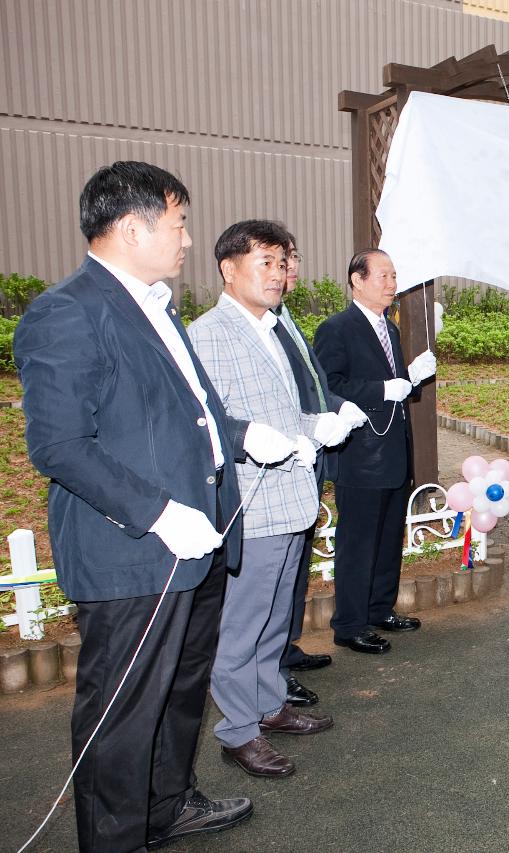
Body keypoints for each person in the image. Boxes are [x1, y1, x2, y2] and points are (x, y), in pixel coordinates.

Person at [14, 161, 297, 850]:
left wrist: (241, 435)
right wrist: (158, 511)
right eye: (177, 224)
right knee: (123, 717)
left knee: (178, 693)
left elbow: (190, 415)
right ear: (132, 227)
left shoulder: (156, 306)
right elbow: (60, 446)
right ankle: (117, 836)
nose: (188, 239)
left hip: (195, 549)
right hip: (135, 555)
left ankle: (167, 804)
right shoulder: (69, 311)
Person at [189, 220, 353, 777]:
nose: (280, 274)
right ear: (228, 268)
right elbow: (209, 423)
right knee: (244, 621)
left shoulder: (272, 328)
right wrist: (257, 438)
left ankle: (267, 704)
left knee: (275, 616)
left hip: (291, 497)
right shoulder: (209, 334)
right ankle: (237, 730)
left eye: (283, 263)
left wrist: (318, 426)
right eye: (266, 262)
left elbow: (284, 416)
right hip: (251, 504)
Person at [313, 249, 437, 653]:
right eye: (382, 275)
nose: (391, 283)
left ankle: (379, 608)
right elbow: (329, 387)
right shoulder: (337, 329)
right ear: (357, 280)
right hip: (360, 456)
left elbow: (396, 386)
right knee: (358, 542)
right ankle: (349, 623)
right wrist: (384, 390)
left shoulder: (392, 329)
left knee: (387, 538)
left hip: (393, 452)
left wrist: (411, 379)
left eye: (394, 276)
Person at [272, 231, 364, 708]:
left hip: (306, 455)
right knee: (273, 577)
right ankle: (272, 671)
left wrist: (337, 409)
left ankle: (283, 649)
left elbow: (313, 385)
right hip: (279, 463)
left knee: (294, 568)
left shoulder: (283, 318)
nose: (290, 272)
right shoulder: (258, 323)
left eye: (291, 261)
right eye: (280, 263)